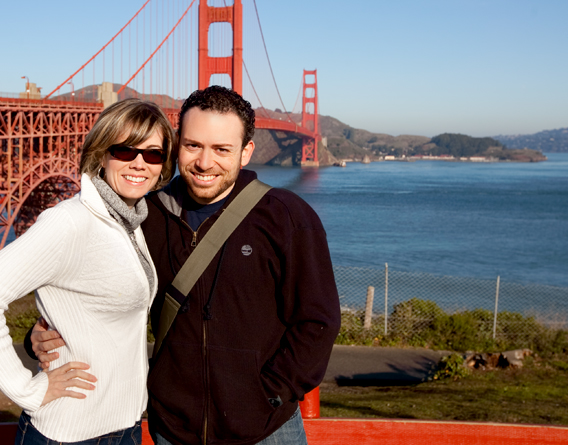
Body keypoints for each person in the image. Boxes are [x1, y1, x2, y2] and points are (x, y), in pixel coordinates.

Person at [31, 86, 341, 445]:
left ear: (246, 153)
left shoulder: (286, 217)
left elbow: (318, 320)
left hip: (267, 429)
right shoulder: (144, 216)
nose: (205, 163)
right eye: (193, 146)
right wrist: (40, 336)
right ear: (178, 144)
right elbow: (88, 297)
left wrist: (270, 393)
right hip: (173, 429)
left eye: (222, 149)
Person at [0, 99, 175, 445]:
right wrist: (26, 390)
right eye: (124, 150)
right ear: (102, 154)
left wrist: (38, 333)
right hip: (71, 434)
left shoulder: (131, 221)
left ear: (163, 165)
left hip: (123, 427)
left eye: (153, 154)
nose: (139, 163)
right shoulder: (70, 222)